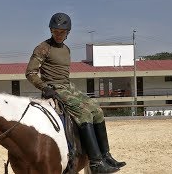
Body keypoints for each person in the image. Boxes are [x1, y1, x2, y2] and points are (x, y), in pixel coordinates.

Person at [25, 12, 126, 173]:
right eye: (55, 31)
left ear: (68, 33)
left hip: (67, 87)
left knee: (97, 111)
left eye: (62, 32)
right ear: (51, 30)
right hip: (54, 89)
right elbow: (30, 73)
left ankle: (106, 155)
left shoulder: (66, 49)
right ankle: (95, 162)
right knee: (84, 114)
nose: (58, 35)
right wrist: (45, 88)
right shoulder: (43, 48)